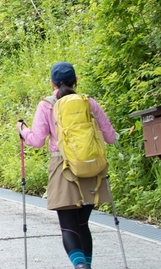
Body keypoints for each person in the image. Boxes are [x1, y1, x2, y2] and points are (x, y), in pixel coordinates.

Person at [16, 61, 117, 269]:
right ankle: (85, 265)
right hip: (91, 167)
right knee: (82, 224)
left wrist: (22, 130)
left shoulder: (46, 105)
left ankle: (81, 267)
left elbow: (37, 141)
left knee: (69, 226)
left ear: (52, 83)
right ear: (76, 81)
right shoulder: (89, 102)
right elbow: (110, 137)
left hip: (63, 167)